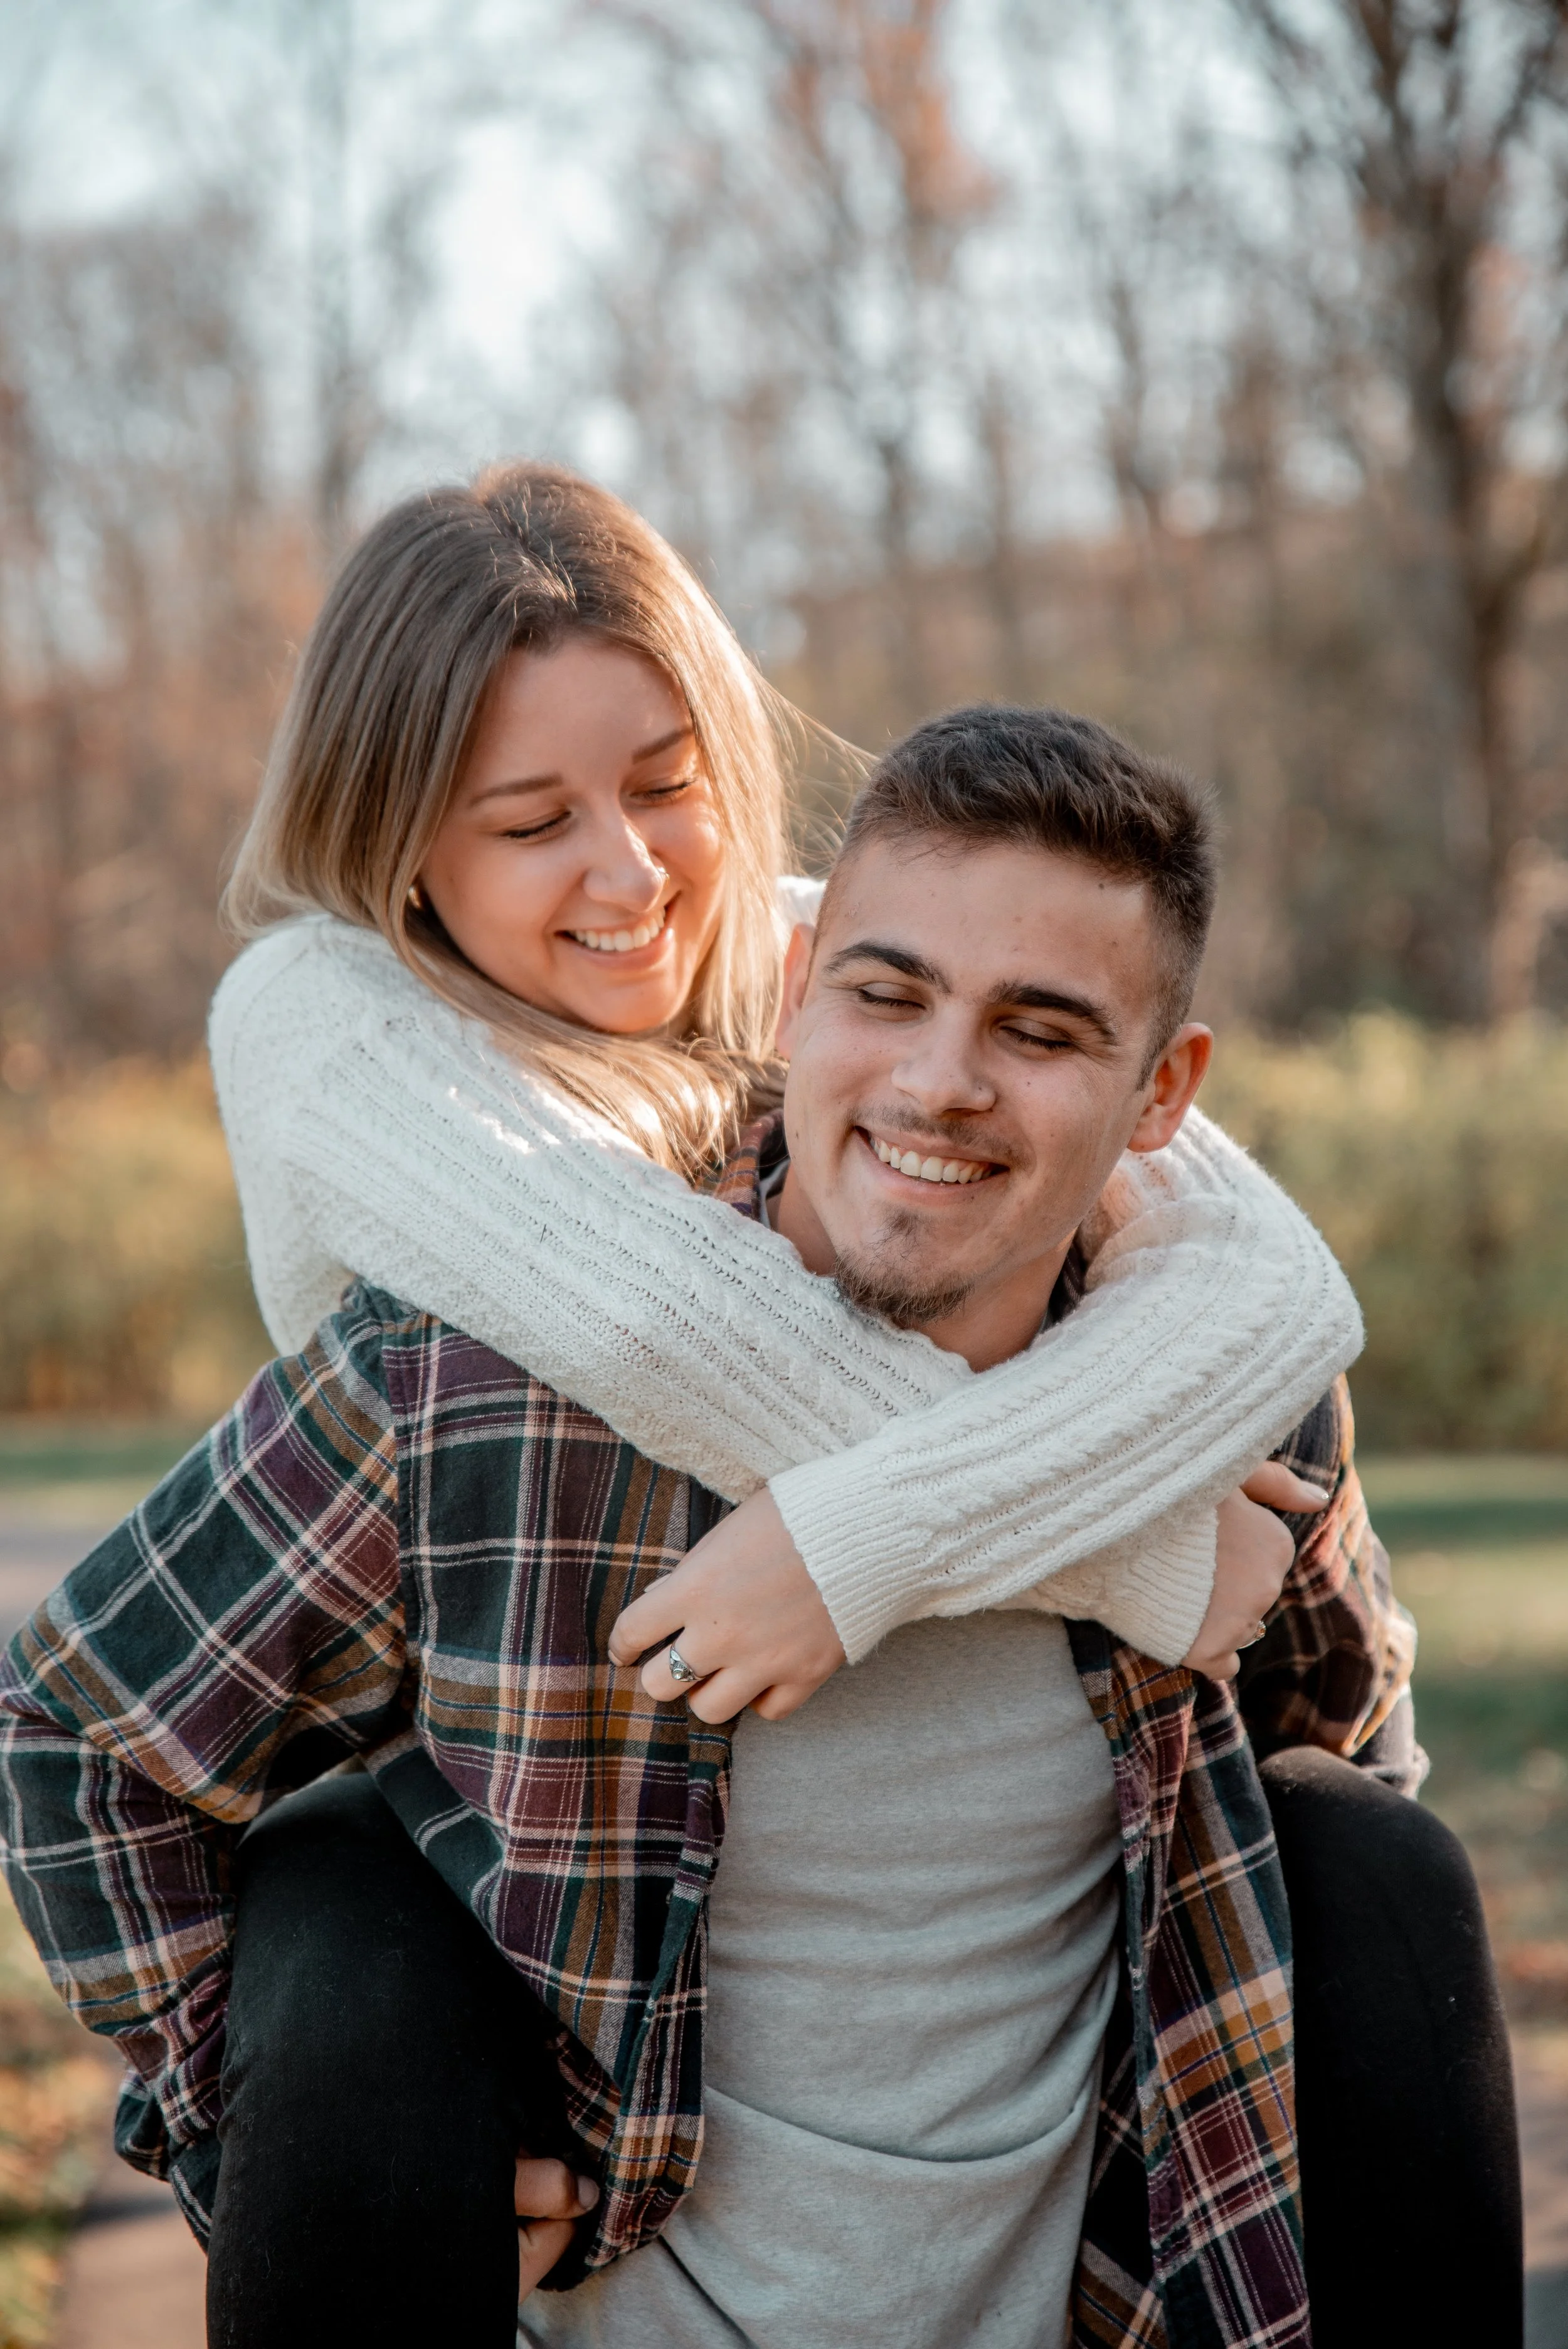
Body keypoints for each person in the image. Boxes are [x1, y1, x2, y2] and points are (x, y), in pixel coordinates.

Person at [0, 708, 1519, 2349]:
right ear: (794, 988)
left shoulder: (1218, 1409)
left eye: (1043, 1028)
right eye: (886, 992)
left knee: (1380, 1863)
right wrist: (305, 2165)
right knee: (331, 1901)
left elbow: (1345, 1783)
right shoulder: (497, 1379)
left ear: (1163, 1097)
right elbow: (80, 1743)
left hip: (1100, 2306)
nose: (941, 1082)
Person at [208, 459, 1366, 1715]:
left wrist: (876, 1534)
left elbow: (1269, 1282)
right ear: (400, 849)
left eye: (664, 785)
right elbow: (650, 1325)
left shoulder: (827, 956)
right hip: (485, 1735)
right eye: (535, 824)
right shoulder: (321, 1014)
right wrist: (1134, 1546)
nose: (633, 876)